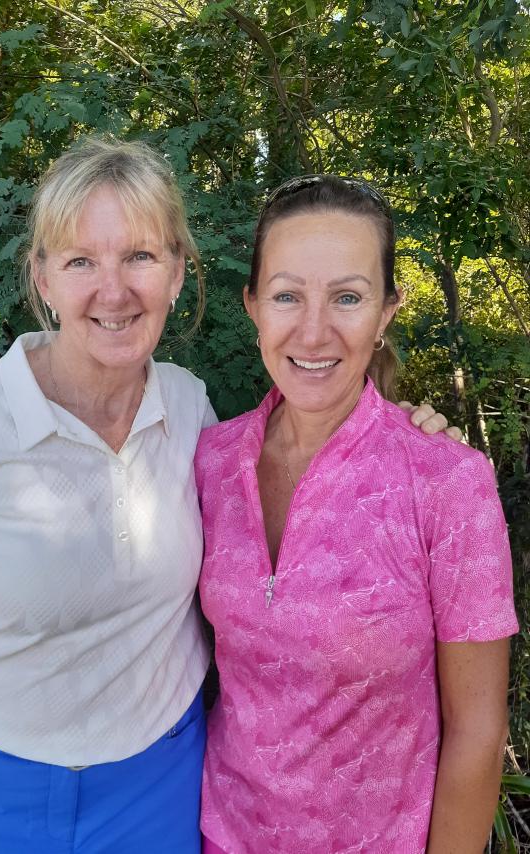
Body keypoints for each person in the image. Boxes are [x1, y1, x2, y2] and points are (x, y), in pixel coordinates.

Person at [0, 138, 456, 854]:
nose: (113, 290)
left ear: (179, 271)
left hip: (155, 791)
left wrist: (404, 432)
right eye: (80, 261)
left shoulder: (191, 414)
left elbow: (311, 453)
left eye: (140, 256)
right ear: (42, 276)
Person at [195, 175, 518, 854]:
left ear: (386, 311)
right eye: (287, 296)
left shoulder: (448, 483)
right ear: (253, 306)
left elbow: (478, 731)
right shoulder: (209, 463)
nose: (314, 331)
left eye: (347, 297)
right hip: (218, 835)